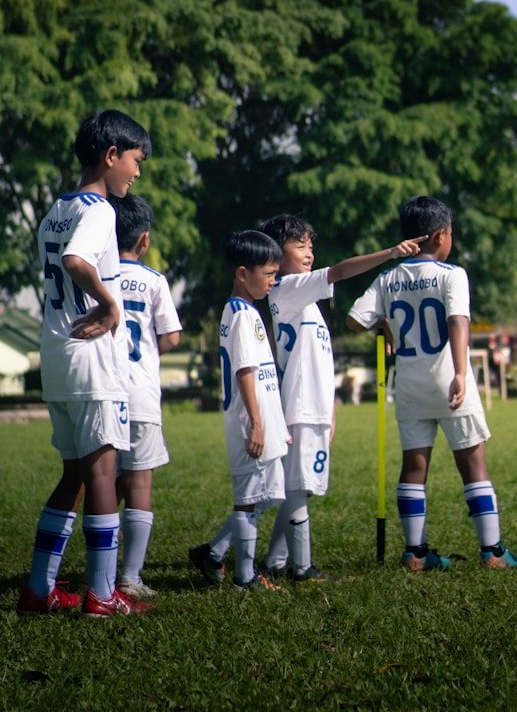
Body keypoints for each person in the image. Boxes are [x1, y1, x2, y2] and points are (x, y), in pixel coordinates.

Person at [17, 109, 153, 617]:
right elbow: (77, 262)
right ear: (111, 155)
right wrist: (110, 303)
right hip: (92, 360)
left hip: (56, 355)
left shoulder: (56, 209)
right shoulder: (100, 211)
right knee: (102, 473)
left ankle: (39, 588)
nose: (136, 173)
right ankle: (100, 595)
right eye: (135, 161)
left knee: (73, 473)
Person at [347, 195, 517, 572]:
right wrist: (460, 372)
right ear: (441, 235)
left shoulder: (388, 277)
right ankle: (492, 551)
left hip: (409, 383)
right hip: (449, 381)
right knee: (473, 463)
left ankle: (415, 552)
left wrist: (383, 322)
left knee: (414, 465)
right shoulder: (452, 274)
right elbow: (458, 321)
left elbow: (354, 320)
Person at [258, 213, 424, 582]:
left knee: (299, 488)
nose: (309, 252)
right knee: (298, 487)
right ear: (275, 252)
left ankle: (275, 561)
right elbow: (341, 271)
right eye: (299, 245)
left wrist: (331, 406)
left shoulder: (305, 297)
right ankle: (298, 567)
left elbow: (317, 359)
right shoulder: (289, 287)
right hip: (300, 406)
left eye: (310, 245)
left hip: (313, 406)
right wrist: (390, 253)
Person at [189, 230, 289, 591]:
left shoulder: (248, 310)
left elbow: (264, 375)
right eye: (268, 274)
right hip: (249, 424)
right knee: (248, 501)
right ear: (243, 273)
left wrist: (276, 424)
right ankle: (245, 577)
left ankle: (214, 553)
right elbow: (245, 371)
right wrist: (259, 424)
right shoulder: (240, 313)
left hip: (263, 422)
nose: (272, 281)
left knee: (271, 494)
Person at [113, 193, 182, 600]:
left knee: (102, 481)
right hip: (140, 394)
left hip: (102, 390)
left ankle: (97, 572)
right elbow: (170, 335)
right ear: (145, 240)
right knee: (139, 483)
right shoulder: (154, 280)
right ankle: (130, 576)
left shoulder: (96, 274)